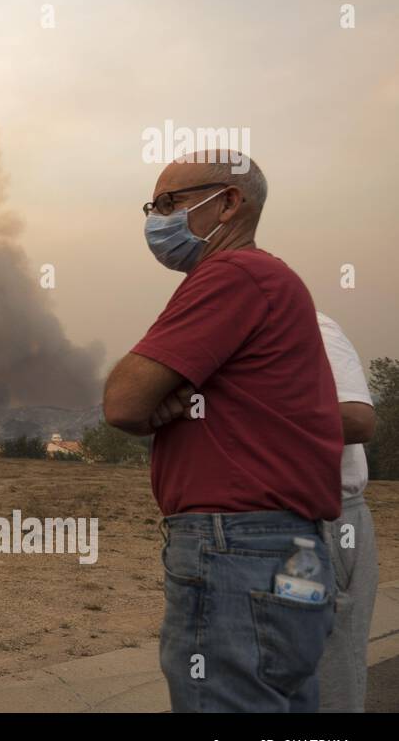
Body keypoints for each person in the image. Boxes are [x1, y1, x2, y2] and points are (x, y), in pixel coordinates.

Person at [103, 151, 342, 712]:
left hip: (236, 548)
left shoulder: (232, 274)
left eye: (170, 203)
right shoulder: (274, 282)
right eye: (152, 206)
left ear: (229, 202)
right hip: (291, 549)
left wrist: (151, 407)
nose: (156, 220)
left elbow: (122, 401)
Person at [315, 312, 378, 712]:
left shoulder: (311, 325)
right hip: (249, 528)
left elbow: (356, 419)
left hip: (326, 523)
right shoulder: (213, 330)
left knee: (328, 681)